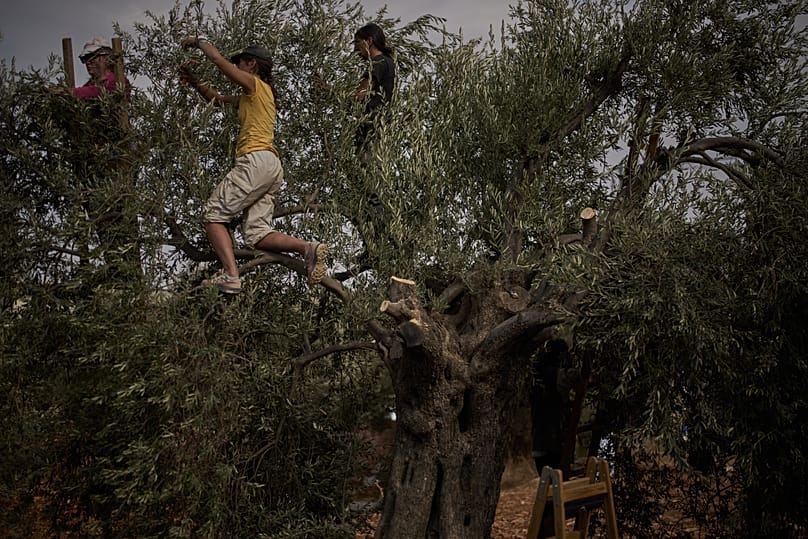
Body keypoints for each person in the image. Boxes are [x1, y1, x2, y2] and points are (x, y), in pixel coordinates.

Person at [179, 37, 328, 294]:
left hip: (255, 161)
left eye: (240, 63)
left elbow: (218, 61)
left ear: (252, 64)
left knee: (213, 215)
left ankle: (231, 275)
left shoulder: (254, 84)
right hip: (272, 166)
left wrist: (196, 41)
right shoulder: (258, 94)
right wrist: (194, 82)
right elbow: (216, 98)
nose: (237, 66)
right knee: (257, 235)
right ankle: (308, 248)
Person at [352, 23, 395, 152]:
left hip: (371, 133)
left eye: (357, 42)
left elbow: (359, 95)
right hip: (378, 131)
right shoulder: (387, 62)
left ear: (369, 41)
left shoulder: (379, 62)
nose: (355, 49)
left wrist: (328, 90)